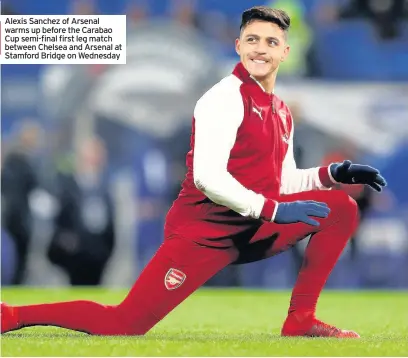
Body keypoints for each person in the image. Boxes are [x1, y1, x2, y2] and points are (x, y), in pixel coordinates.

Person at [1, 6, 386, 338]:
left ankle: (301, 319)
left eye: (271, 42)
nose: (260, 49)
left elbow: (281, 181)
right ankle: (13, 315)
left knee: (340, 206)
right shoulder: (222, 99)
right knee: (124, 324)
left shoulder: (281, 111)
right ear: (238, 46)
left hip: (253, 225)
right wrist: (274, 211)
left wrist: (332, 173)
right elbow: (208, 177)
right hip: (206, 233)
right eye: (252, 40)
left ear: (285, 51)